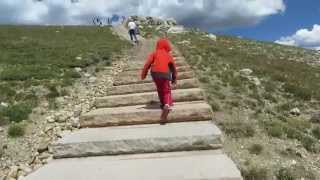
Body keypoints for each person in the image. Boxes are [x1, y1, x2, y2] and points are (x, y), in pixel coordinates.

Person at [141, 35, 177, 124]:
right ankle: (167, 105)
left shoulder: (154, 53)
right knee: (167, 90)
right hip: (165, 73)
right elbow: (173, 68)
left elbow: (147, 64)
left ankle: (162, 103)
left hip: (155, 73)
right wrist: (174, 78)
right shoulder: (168, 55)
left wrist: (143, 74)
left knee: (160, 89)